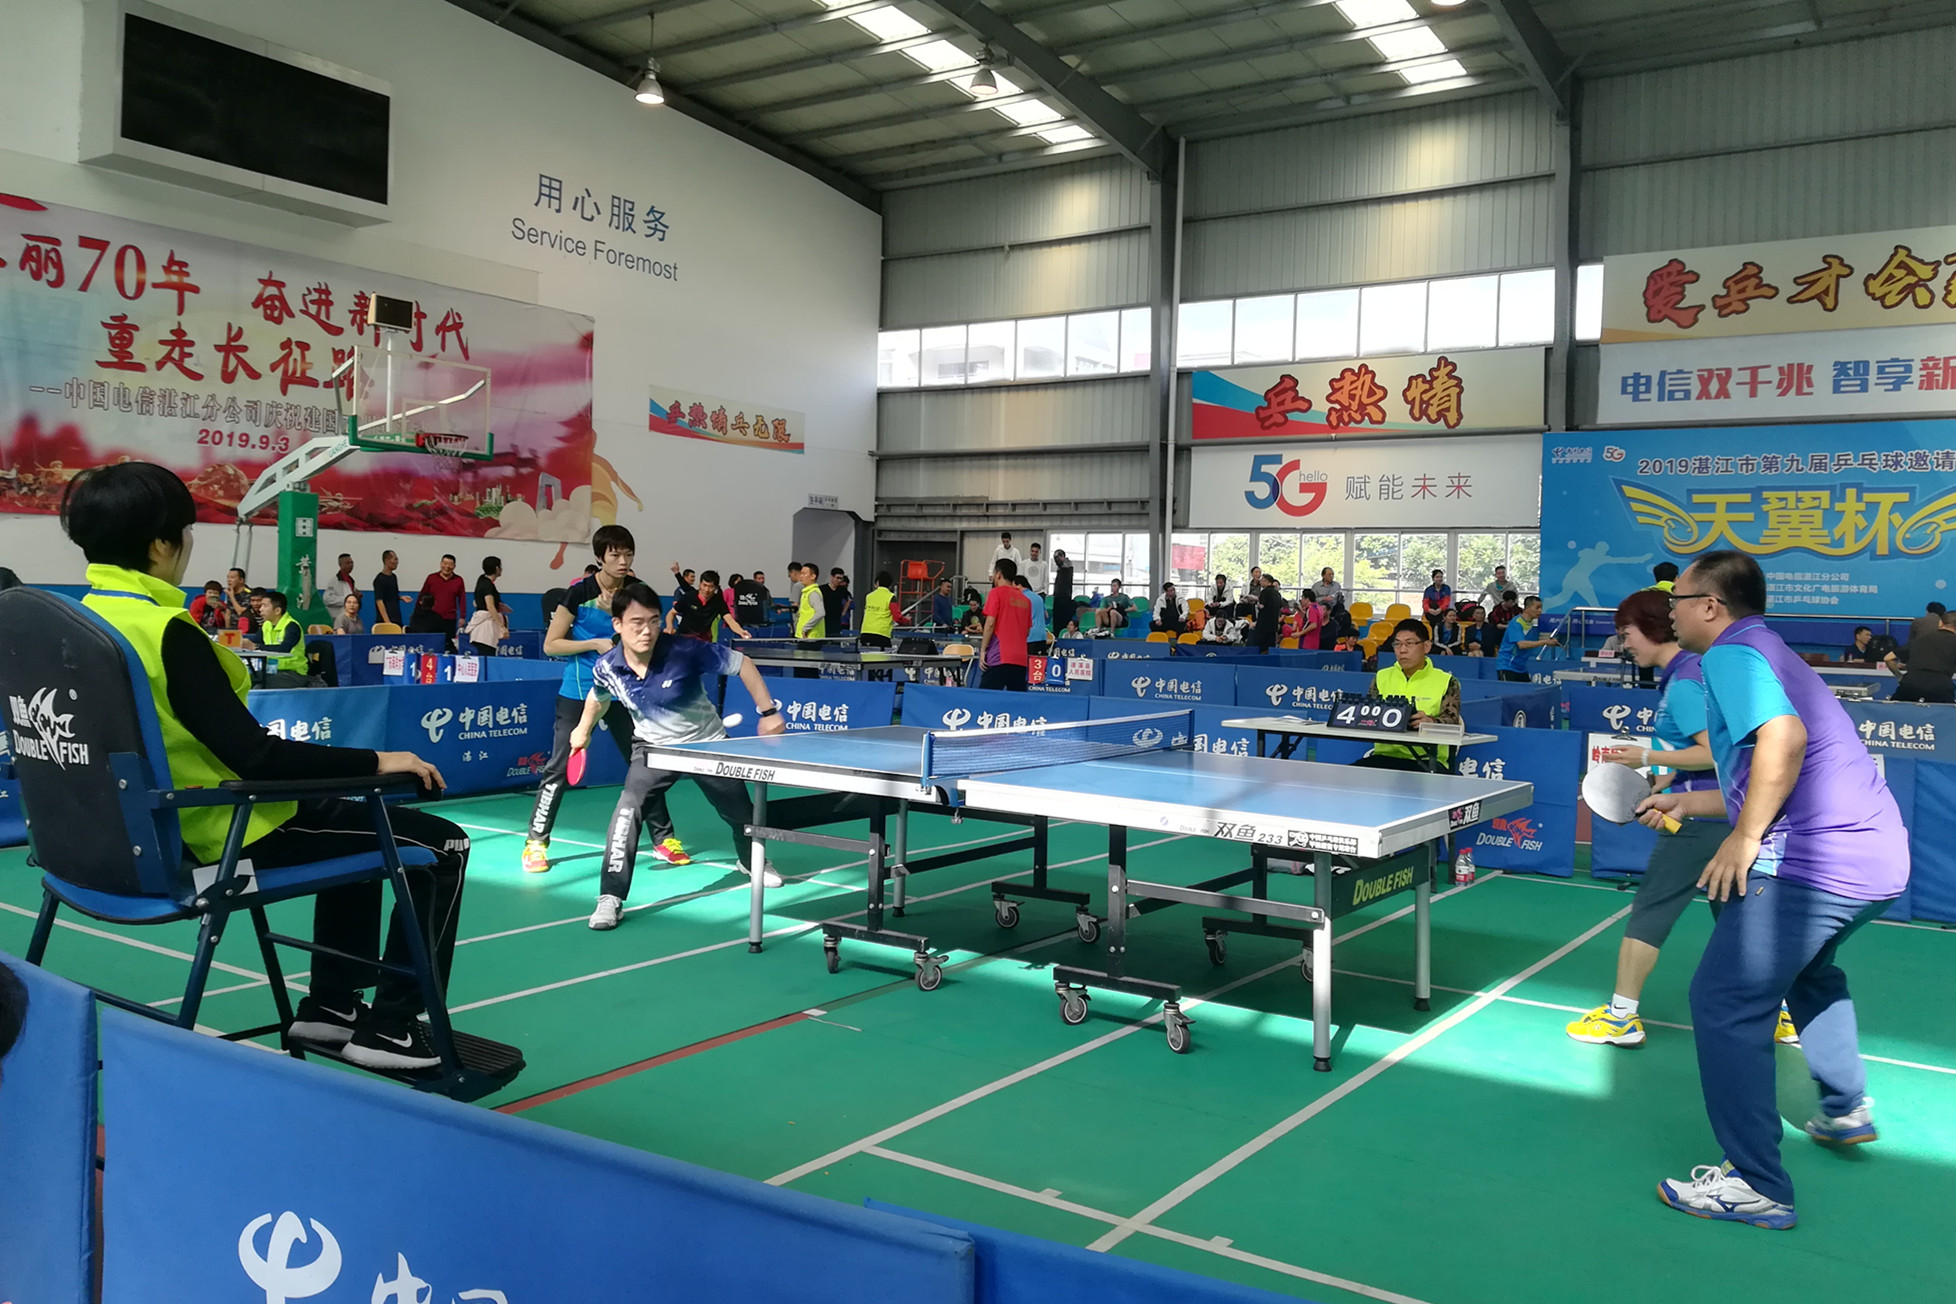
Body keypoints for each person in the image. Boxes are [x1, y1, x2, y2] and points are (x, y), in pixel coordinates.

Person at [59, 462, 465, 1070]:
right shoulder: (165, 632)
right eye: (185, 531)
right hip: (214, 839)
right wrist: (383, 759)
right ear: (159, 544)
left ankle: (331, 1007)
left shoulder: (80, 622)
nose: (189, 543)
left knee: (357, 833)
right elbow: (258, 758)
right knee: (442, 845)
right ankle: (392, 1028)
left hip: (97, 851)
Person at [1640, 551, 1908, 1230]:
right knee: (1810, 973)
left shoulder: (1730, 655)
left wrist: (1744, 837)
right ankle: (1845, 1108)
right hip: (1877, 859)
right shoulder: (1770, 651)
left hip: (1815, 862)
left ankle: (1757, 1184)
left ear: (1711, 606)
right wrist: (1686, 803)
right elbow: (1763, 773)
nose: (1669, 609)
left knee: (1724, 1000)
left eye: (1677, 598)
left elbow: (1783, 742)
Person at [1565, 590, 1730, 1049]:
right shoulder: (1690, 673)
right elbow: (1695, 751)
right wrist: (1661, 782)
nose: (1624, 645)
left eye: (1627, 634)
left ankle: (1621, 1017)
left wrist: (1646, 757)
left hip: (1700, 821)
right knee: (1737, 920)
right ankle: (1779, 1013)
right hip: (1722, 812)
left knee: (1650, 912)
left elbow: (1715, 753)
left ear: (1655, 629)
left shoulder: (1686, 683)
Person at [572, 583, 788, 930]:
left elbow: (743, 664)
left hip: (707, 745)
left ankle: (751, 861)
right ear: (618, 625)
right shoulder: (607, 666)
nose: (647, 630)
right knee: (627, 813)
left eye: (653, 621)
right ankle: (610, 896)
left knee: (740, 813)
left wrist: (768, 711)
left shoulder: (686, 650)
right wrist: (583, 729)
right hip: (654, 750)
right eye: (637, 622)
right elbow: (599, 696)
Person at [522, 526, 641, 875]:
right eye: (615, 554)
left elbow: (648, 636)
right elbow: (552, 644)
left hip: (622, 690)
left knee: (642, 765)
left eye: (628, 554)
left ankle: (665, 838)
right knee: (558, 768)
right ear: (600, 557)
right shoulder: (578, 594)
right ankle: (535, 843)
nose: (623, 561)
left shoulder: (636, 592)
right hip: (579, 689)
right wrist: (593, 644)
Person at [1356, 619, 1460, 771]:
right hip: (1384, 758)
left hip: (1428, 761)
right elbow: (1367, 716)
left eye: (1409, 643)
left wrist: (1430, 722)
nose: (1402, 650)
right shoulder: (1381, 677)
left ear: (1426, 646)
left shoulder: (1447, 681)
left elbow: (1452, 723)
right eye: (1397, 644)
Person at [1883, 606, 1956, 703]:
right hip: (1941, 687)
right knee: (1946, 711)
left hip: (1910, 684)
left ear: (1940, 623)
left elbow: (1888, 658)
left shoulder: (1919, 640)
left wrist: (1899, 676)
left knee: (1896, 709)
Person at [978, 558, 1032, 690]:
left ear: (998, 574)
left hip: (1000, 656)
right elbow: (1027, 631)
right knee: (1017, 700)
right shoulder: (1026, 600)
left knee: (985, 698)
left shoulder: (996, 593)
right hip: (1020, 659)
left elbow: (990, 623)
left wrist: (983, 650)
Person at [245, 590, 313, 688]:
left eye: (264, 606)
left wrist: (256, 647)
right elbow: (253, 643)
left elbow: (285, 648)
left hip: (293, 673)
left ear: (277, 610)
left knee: (262, 683)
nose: (260, 609)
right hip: (272, 671)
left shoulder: (291, 626)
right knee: (247, 679)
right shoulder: (266, 625)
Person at [667, 569, 751, 642]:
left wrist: (741, 631)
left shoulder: (718, 602)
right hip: (685, 637)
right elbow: (671, 613)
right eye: (704, 585)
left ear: (716, 588)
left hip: (704, 640)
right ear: (700, 584)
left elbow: (729, 620)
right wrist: (669, 627)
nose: (706, 590)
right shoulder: (689, 597)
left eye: (711, 587)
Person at [1496, 595, 1559, 681]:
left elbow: (1534, 643)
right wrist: (1545, 642)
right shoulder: (1516, 623)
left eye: (1541, 608)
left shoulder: (1532, 624)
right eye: (1537, 608)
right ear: (1527, 608)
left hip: (1521, 667)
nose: (1540, 611)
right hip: (1507, 665)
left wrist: (1550, 641)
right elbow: (1522, 645)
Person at [409, 555, 467, 648]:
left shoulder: (458, 580)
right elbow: (422, 595)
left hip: (449, 619)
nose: (447, 567)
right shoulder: (431, 578)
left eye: (450, 564)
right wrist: (416, 612)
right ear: (440, 564)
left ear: (454, 566)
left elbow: (462, 599)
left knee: (448, 645)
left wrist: (462, 617)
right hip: (431, 619)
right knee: (431, 645)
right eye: (444, 563)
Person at [793, 561, 827, 678]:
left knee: (807, 672)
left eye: (804, 573)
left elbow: (820, 612)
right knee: (801, 670)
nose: (801, 576)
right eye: (800, 573)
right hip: (804, 638)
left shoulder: (813, 593)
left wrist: (806, 628)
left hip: (811, 639)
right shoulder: (805, 592)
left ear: (813, 576)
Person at [860, 572, 897, 649]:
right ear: (890, 585)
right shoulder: (891, 597)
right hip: (881, 634)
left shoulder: (869, 596)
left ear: (878, 582)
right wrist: (907, 621)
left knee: (866, 655)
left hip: (865, 632)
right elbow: (897, 617)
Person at [1016, 574, 1050, 656]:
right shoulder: (1038, 597)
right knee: (1040, 662)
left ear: (1019, 585)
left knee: (1027, 662)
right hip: (1042, 636)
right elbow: (1046, 616)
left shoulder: (1020, 598)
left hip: (1029, 637)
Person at [1250, 573, 1283, 653]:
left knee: (1262, 646)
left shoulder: (1265, 592)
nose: (1260, 582)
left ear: (1267, 582)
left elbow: (1262, 605)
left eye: (1262, 580)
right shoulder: (1277, 594)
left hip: (1264, 623)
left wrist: (1255, 602)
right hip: (1274, 623)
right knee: (1270, 646)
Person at [371, 550, 402, 628]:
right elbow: (379, 601)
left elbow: (390, 595)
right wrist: (387, 622)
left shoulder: (393, 577)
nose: (397, 562)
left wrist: (400, 598)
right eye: (395, 559)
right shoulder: (379, 579)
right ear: (387, 561)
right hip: (385, 621)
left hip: (396, 618)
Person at [822, 568, 853, 638]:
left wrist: (843, 612)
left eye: (841, 578)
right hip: (824, 620)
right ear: (832, 577)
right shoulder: (822, 589)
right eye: (837, 578)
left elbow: (849, 600)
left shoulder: (842, 590)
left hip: (836, 621)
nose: (839, 580)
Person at [475, 556, 505, 627]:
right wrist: (501, 626)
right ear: (497, 568)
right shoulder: (487, 585)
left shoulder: (481, 579)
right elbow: (490, 606)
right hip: (487, 623)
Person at [1051, 549, 1075, 633]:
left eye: (1057, 557)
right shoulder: (1061, 567)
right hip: (1058, 597)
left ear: (1063, 557)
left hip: (1064, 597)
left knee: (1063, 622)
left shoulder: (1067, 566)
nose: (1056, 560)